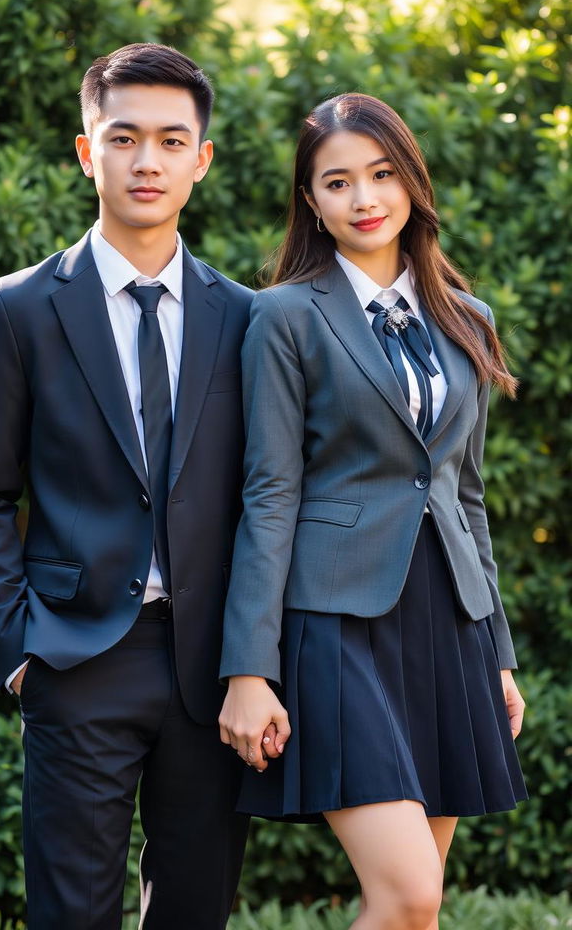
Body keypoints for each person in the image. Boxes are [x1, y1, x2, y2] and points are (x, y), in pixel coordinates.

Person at [0, 42, 252, 930]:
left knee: (195, 913)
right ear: (88, 152)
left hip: (212, 668)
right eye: (124, 139)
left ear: (202, 159)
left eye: (170, 140)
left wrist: (257, 659)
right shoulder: (16, 310)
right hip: (76, 661)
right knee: (71, 915)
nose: (146, 161)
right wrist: (19, 655)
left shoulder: (246, 318)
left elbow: (269, 495)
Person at [218, 93, 526, 930]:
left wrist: (496, 650)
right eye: (338, 181)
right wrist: (249, 667)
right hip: (335, 622)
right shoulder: (283, 316)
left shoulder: (469, 321)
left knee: (416, 908)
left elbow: (466, 494)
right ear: (311, 202)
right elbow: (269, 493)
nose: (364, 198)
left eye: (383, 174)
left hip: (448, 626)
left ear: (412, 182)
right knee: (409, 893)